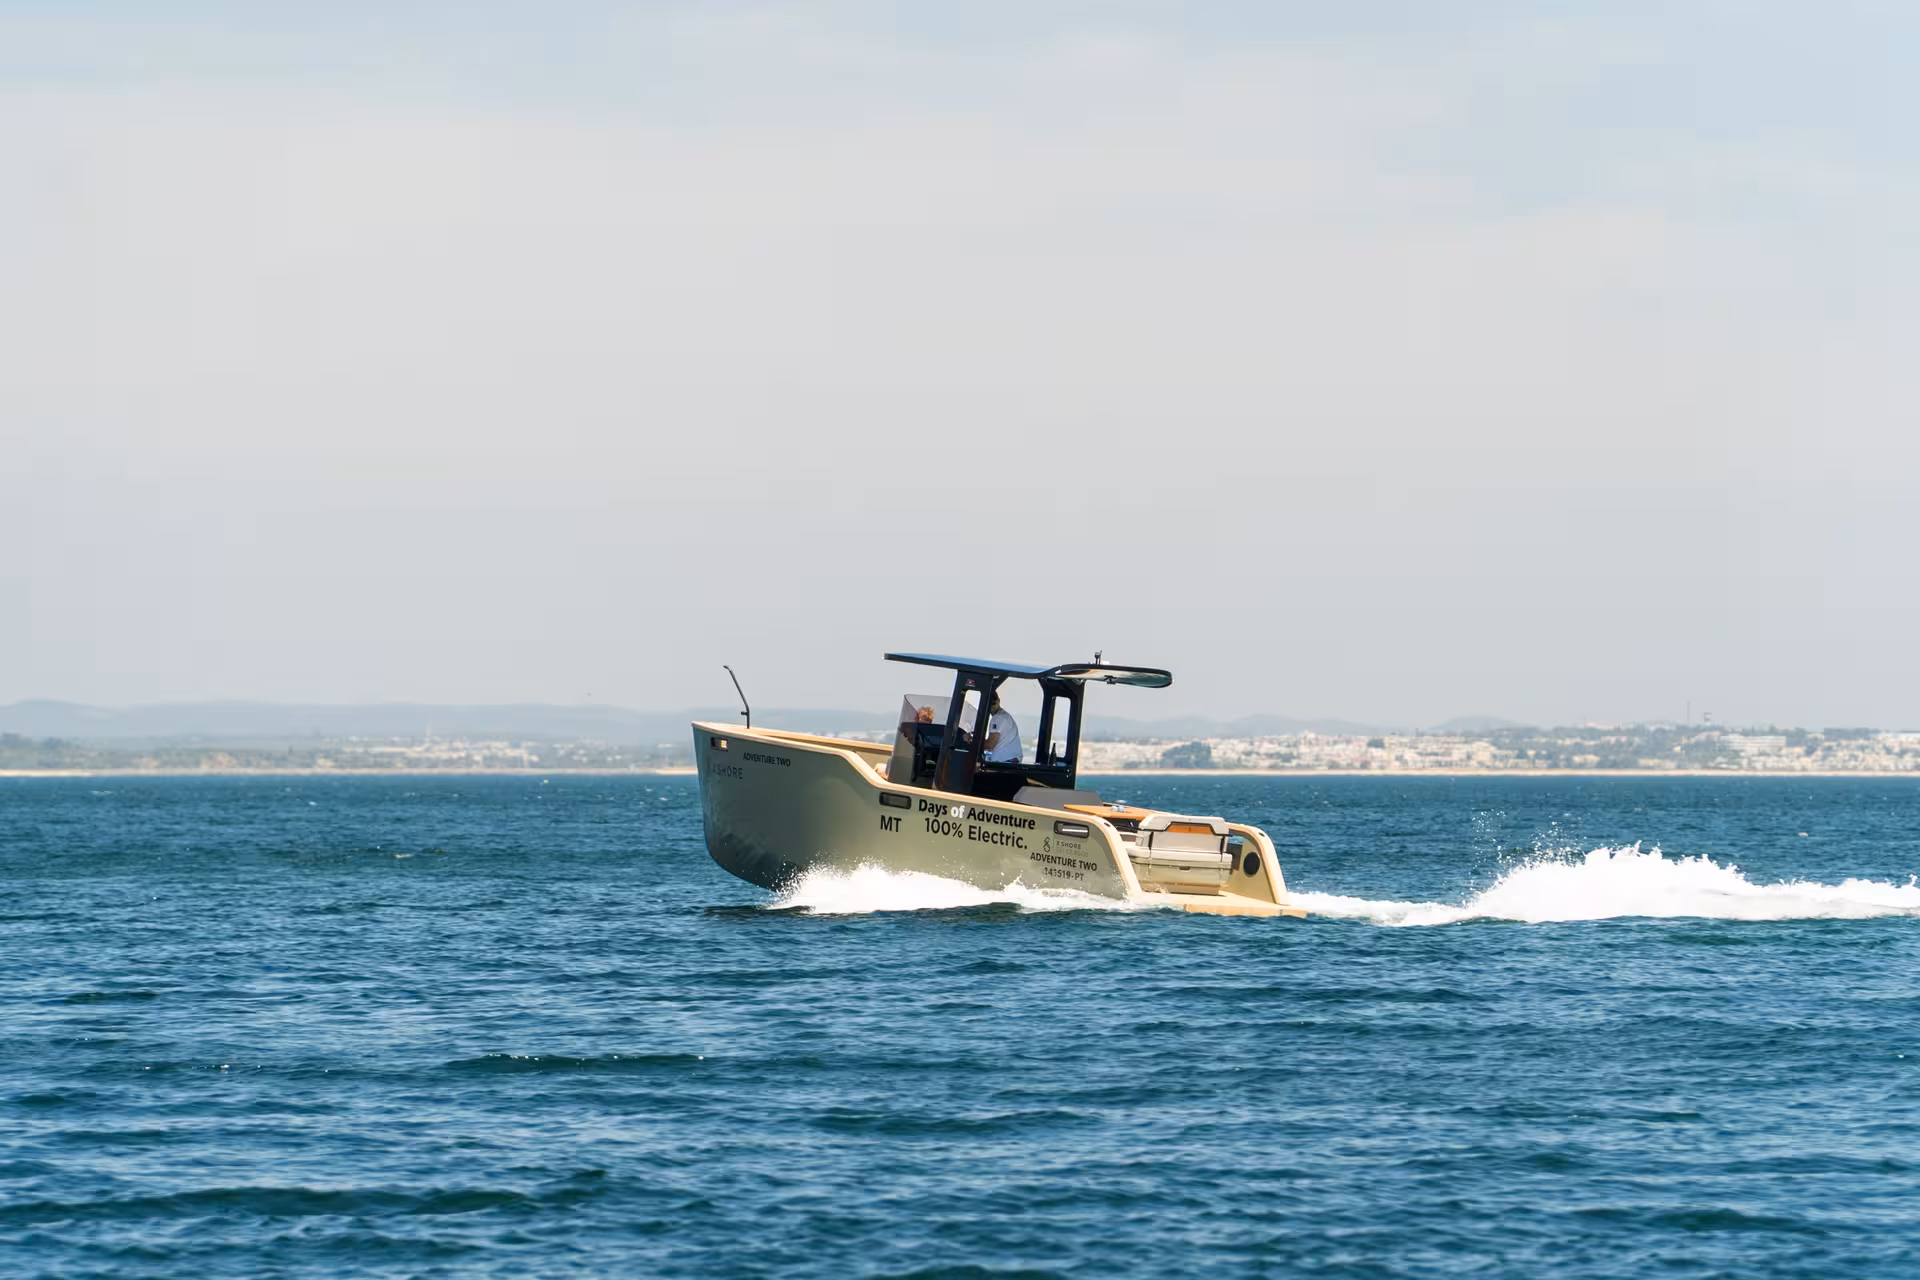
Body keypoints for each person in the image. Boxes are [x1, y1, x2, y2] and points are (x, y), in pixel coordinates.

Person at [983, 693, 1022, 764]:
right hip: (1009, 760)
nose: (993, 706)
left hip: (1006, 761)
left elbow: (990, 745)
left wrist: (972, 742)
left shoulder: (998, 718)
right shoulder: (1004, 716)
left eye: (993, 703)